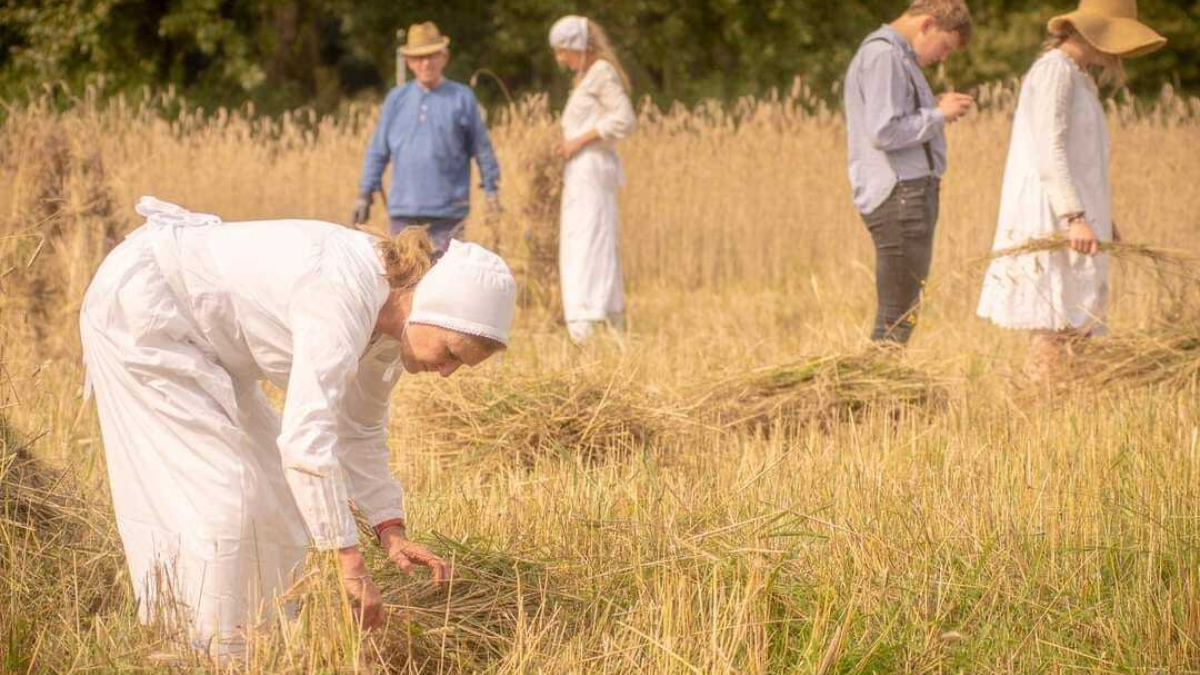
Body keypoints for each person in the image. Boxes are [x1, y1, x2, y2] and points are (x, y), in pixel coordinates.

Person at [79, 197, 518, 657]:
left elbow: (358, 432)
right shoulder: (341, 291)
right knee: (225, 503)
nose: (447, 371)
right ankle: (199, 653)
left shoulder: (394, 329)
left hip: (208, 344)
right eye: (450, 352)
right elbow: (307, 443)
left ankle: (263, 648)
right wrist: (350, 563)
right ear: (433, 310)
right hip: (145, 310)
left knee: (277, 498)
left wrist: (391, 531)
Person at [977, 0, 1166, 378]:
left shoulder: (1076, 76)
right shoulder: (1054, 73)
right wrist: (1074, 216)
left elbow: (1084, 161)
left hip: (1072, 216)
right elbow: (1050, 150)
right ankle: (1038, 408)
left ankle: (1063, 404)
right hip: (1052, 216)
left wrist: (1100, 215)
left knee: (1077, 324)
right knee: (1054, 325)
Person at [844, 0, 975, 345]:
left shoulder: (898, 56)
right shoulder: (884, 55)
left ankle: (877, 395)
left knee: (900, 315)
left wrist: (932, 110)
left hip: (907, 194)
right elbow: (883, 132)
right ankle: (872, 397)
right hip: (900, 195)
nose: (943, 57)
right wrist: (938, 115)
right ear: (928, 24)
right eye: (945, 46)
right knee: (896, 318)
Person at [353, 22, 501, 255]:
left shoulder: (462, 97)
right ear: (409, 61)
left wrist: (492, 191)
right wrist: (364, 194)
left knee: (444, 282)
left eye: (432, 56)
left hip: (448, 213)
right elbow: (378, 150)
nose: (426, 63)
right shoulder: (397, 99)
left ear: (444, 57)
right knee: (405, 281)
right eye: (419, 57)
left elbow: (482, 148)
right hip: (404, 212)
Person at [549, 15, 637, 344]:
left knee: (587, 241)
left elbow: (624, 119)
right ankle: (593, 317)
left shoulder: (601, 73)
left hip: (591, 168)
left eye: (562, 51)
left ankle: (588, 317)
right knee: (584, 239)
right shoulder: (587, 77)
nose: (560, 59)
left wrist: (579, 141)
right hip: (581, 168)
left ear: (577, 46)